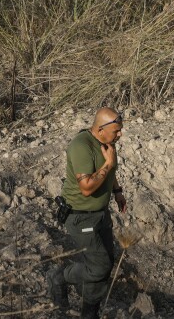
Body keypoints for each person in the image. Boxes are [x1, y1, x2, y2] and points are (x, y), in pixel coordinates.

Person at [48, 106, 127, 317]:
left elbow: (110, 171)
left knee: (104, 264)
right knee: (100, 266)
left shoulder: (107, 143)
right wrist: (108, 164)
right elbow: (86, 188)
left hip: (100, 213)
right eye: (116, 131)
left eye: (120, 130)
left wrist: (117, 192)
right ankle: (60, 276)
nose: (120, 134)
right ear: (101, 129)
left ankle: (89, 312)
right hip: (79, 215)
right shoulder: (81, 146)